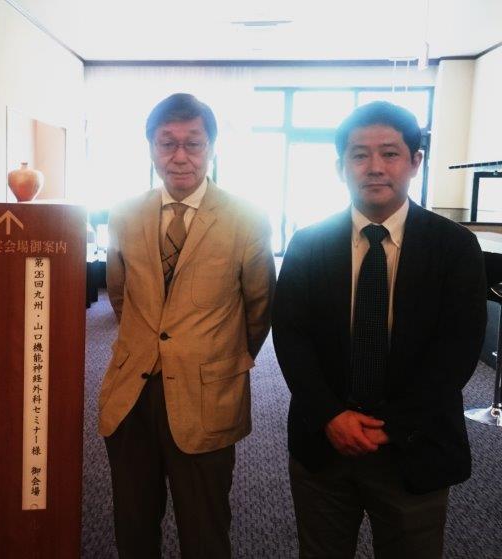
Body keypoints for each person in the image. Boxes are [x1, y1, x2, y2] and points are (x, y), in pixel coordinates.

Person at [272, 101, 486, 558]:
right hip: (324, 440)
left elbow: (457, 349)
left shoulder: (455, 247)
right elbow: (291, 336)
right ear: (340, 166)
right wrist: (331, 416)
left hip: (415, 441)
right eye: (359, 155)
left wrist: (394, 426)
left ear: (415, 161)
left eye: (390, 153)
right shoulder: (308, 243)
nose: (374, 167)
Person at [99, 92, 275, 558]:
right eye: (167, 143)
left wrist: (219, 358)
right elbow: (120, 295)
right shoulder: (124, 214)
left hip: (206, 393)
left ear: (211, 147)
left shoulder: (246, 218)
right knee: (133, 523)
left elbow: (259, 307)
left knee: (205, 528)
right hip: (132, 392)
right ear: (151, 148)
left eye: (193, 143)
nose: (180, 156)